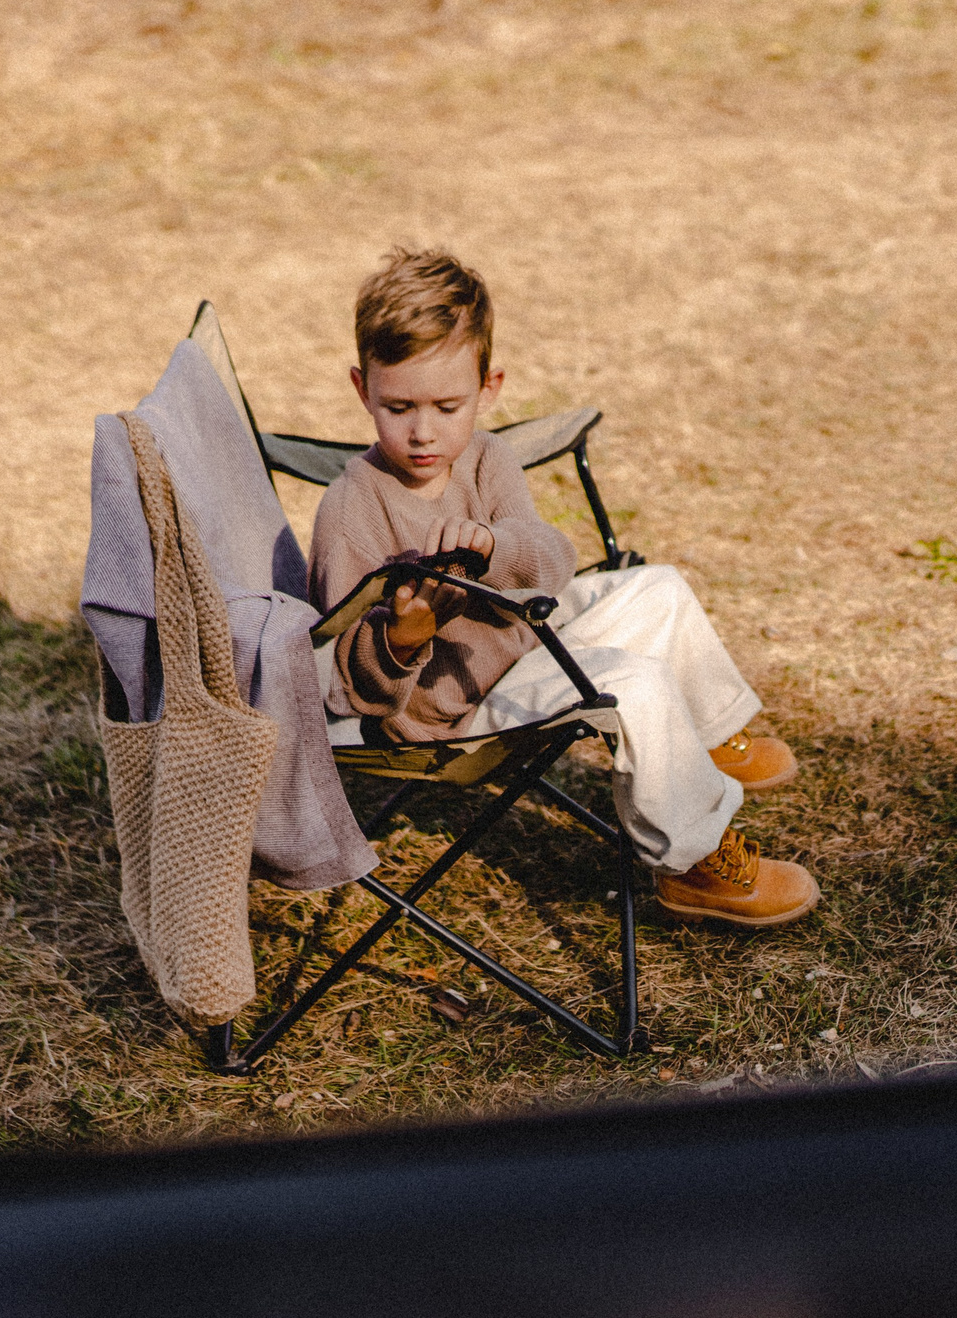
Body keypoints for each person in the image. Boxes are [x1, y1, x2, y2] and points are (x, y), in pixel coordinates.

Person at [308, 248, 818, 928]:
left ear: (489, 389)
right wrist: (403, 639)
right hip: (450, 711)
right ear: (360, 388)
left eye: (447, 406)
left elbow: (551, 561)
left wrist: (495, 548)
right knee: (630, 683)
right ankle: (694, 866)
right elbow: (345, 687)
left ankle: (707, 733)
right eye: (398, 406)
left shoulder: (487, 458)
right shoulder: (350, 512)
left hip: (520, 639)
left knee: (656, 587)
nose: (424, 431)